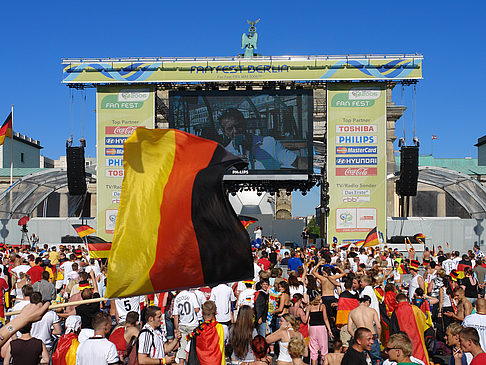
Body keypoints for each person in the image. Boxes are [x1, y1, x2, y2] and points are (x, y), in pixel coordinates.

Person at [219, 108, 303, 170]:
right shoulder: (224, 155)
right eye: (230, 129)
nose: (236, 131)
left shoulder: (269, 143)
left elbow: (299, 163)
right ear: (224, 132)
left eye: (238, 126)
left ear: (244, 125)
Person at [389, 293, 429, 365]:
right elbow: (425, 321)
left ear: (397, 302)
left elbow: (393, 330)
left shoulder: (396, 312)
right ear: (406, 299)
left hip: (404, 342)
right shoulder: (415, 309)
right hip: (417, 340)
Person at [186, 300, 226, 365]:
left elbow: (190, 356)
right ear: (215, 313)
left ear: (202, 313)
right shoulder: (220, 328)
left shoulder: (197, 331)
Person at [347, 295, 381, 365]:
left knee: (361, 360)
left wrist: (357, 338)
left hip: (360, 338)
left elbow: (349, 329)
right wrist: (378, 337)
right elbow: (378, 326)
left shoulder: (352, 312)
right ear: (367, 302)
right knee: (376, 360)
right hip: (372, 337)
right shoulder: (372, 311)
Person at [304, 294, 333, 365]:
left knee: (313, 349)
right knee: (324, 348)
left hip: (312, 328)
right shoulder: (322, 306)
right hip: (321, 327)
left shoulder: (309, 307)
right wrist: (329, 330)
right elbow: (325, 319)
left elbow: (305, 319)